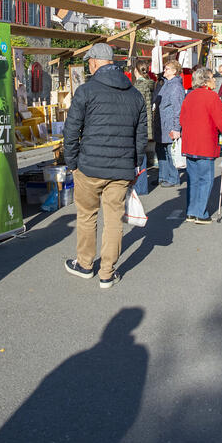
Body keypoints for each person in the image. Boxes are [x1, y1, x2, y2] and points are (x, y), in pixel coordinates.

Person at [62, 43, 147, 290]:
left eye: (90, 62)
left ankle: (85, 264)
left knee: (87, 216)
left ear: (96, 62)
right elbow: (140, 137)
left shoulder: (86, 91)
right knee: (113, 220)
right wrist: (134, 166)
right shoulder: (134, 94)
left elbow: (71, 130)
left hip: (88, 166)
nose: (88, 65)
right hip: (120, 169)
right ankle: (107, 273)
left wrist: (72, 163)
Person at [179, 68, 222, 224]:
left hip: (190, 143)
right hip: (205, 143)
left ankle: (191, 211)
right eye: (213, 78)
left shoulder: (189, 96)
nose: (215, 80)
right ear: (206, 80)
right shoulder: (211, 96)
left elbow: (182, 119)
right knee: (205, 179)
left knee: (193, 179)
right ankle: (200, 212)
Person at [153, 60, 185, 187]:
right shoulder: (166, 84)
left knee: (170, 152)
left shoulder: (176, 86)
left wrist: (176, 127)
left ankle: (173, 178)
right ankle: (163, 176)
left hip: (169, 124)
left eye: (167, 69)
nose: (164, 71)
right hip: (161, 123)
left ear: (173, 71)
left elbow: (178, 108)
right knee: (161, 150)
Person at [130, 61, 155, 195]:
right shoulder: (149, 84)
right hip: (147, 122)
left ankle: (140, 187)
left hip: (140, 123)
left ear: (136, 71)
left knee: (139, 155)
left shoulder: (139, 86)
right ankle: (141, 186)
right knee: (142, 153)